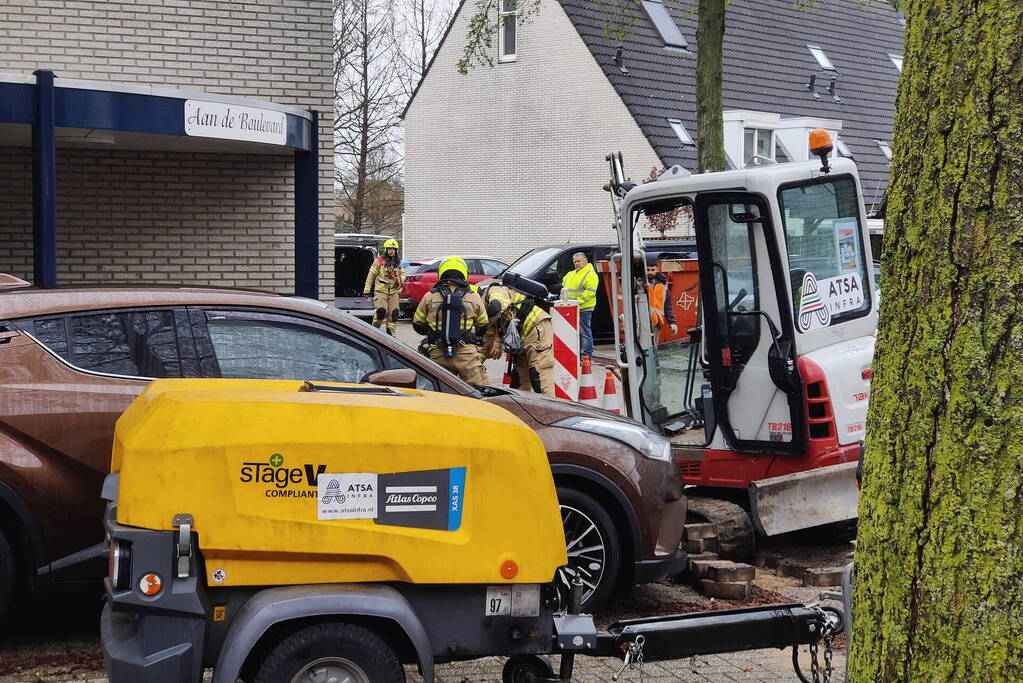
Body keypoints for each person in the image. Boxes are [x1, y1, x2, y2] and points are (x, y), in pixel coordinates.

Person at [412, 256, 489, 383]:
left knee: (441, 393)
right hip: (467, 355)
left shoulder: (430, 296)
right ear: (464, 273)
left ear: (441, 273)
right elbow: (483, 324)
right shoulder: (473, 296)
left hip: (438, 353)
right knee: (478, 393)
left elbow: (418, 324)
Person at [482, 284, 554, 396]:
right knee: (519, 379)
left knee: (539, 375)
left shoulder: (494, 290)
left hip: (536, 327)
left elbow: (497, 307)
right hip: (521, 334)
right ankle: (522, 409)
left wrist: (490, 331)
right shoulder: (485, 306)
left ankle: (550, 410)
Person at [363, 238, 405, 336]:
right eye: (390, 249)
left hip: (394, 292)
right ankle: (373, 333)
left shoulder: (397, 263)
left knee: (394, 314)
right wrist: (367, 290)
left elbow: (402, 274)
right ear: (386, 249)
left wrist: (401, 280)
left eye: (393, 249)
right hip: (381, 291)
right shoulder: (379, 261)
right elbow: (371, 275)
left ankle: (391, 335)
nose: (392, 251)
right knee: (381, 312)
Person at [561, 252, 598, 359]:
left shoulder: (590, 274)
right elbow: (564, 285)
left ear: (585, 261)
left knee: (584, 332)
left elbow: (590, 293)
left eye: (579, 261)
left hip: (584, 308)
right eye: (575, 262)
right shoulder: (572, 273)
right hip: (571, 307)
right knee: (574, 332)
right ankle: (577, 354)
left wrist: (577, 301)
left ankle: (586, 355)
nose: (576, 264)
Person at [646, 255, 678, 342]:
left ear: (657, 269)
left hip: (656, 322)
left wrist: (672, 322)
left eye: (652, 270)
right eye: (648, 270)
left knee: (653, 347)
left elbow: (667, 305)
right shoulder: (640, 283)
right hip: (642, 321)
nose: (650, 272)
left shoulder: (663, 285)